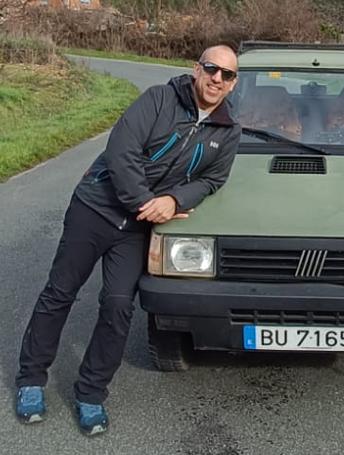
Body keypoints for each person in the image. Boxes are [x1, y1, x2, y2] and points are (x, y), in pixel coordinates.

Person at [14, 44, 241, 436]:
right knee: (61, 291)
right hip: (96, 207)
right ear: (196, 69)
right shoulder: (158, 99)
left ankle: (90, 393)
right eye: (211, 69)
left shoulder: (228, 131)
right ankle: (31, 379)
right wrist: (146, 203)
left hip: (136, 230)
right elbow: (121, 151)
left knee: (119, 305)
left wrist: (173, 200)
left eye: (227, 74)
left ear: (233, 84)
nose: (217, 78)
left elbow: (211, 180)